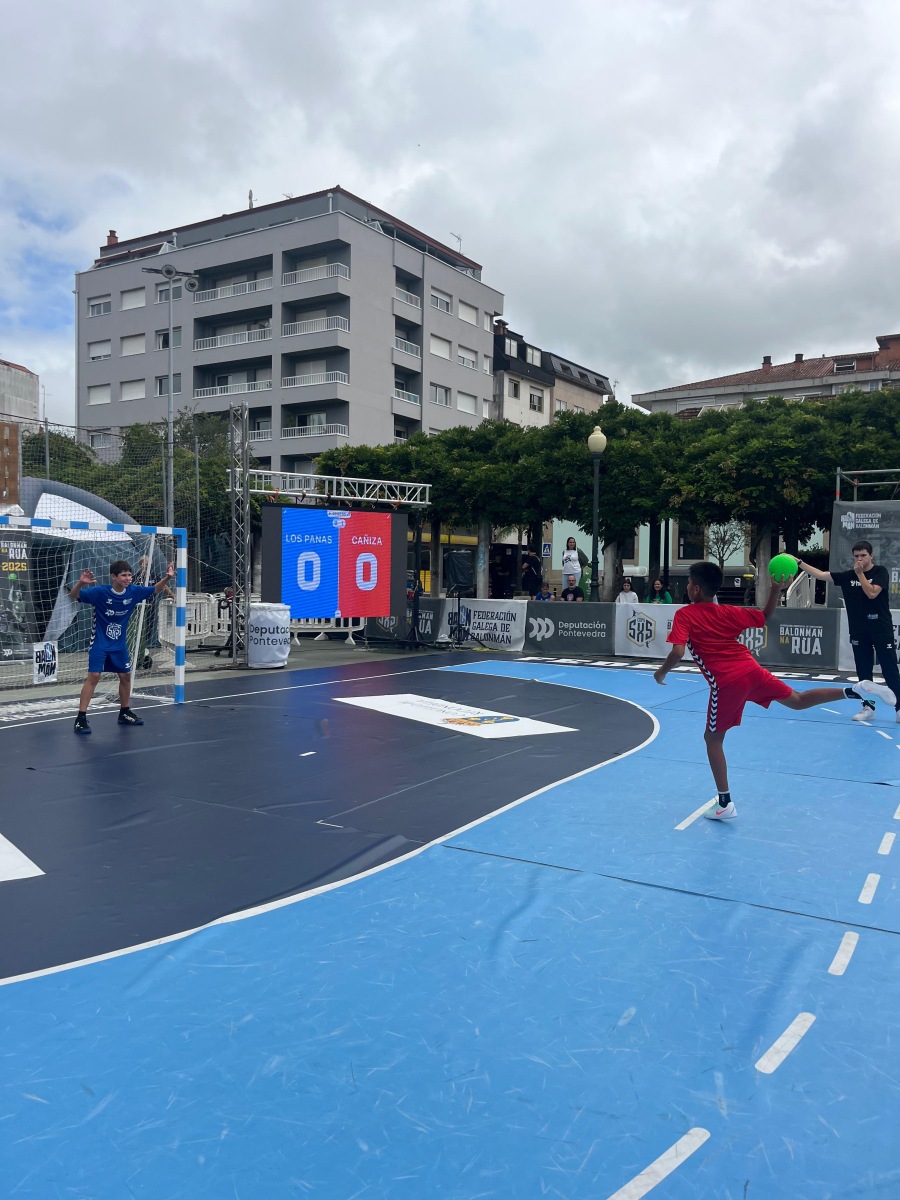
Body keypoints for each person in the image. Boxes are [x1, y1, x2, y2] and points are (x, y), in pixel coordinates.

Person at [653, 560, 895, 820]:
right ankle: (856, 690)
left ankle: (725, 803)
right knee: (798, 700)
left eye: (689, 583)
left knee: (713, 739)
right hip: (751, 669)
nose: (688, 587)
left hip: (727, 682)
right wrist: (775, 589)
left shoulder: (685, 615)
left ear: (696, 589)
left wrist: (661, 672)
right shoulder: (728, 612)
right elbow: (763, 617)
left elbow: (678, 651)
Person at [796, 541, 900, 724]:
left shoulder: (880, 572)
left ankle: (899, 708)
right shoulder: (847, 576)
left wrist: (860, 574)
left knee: (889, 669)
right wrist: (799, 562)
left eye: (863, 555)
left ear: (871, 556)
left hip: (880, 629)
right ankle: (868, 707)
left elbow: (872, 593)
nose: (860, 559)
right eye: (856, 556)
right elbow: (821, 575)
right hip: (859, 630)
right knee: (863, 671)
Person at [70, 559, 175, 734]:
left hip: (119, 645)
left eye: (129, 575)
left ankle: (124, 713)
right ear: (114, 577)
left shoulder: (133, 591)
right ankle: (80, 719)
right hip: (100, 643)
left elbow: (155, 589)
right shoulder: (100, 592)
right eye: (124, 575)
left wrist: (167, 578)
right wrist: (81, 583)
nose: (128, 578)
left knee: (126, 676)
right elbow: (74, 595)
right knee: (94, 676)